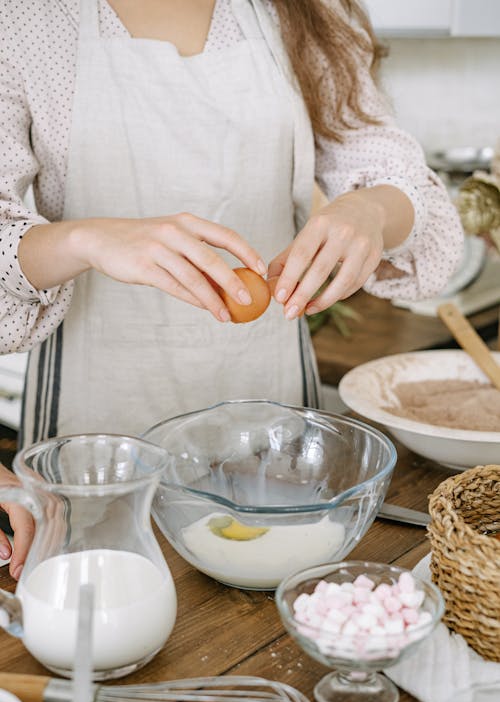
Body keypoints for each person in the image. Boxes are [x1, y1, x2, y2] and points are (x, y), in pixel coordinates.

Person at [0, 0, 463, 579]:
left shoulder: (306, 13)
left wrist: (371, 208)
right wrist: (84, 240)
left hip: (276, 451)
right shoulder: (23, 20)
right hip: (92, 462)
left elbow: (401, 182)